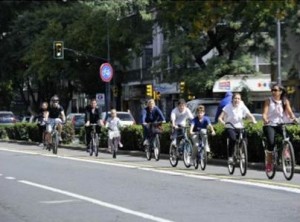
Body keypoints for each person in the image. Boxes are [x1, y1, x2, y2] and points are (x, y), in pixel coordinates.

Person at [262, 83, 297, 172]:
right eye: (272, 90)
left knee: (289, 137)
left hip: (280, 124)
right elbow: (264, 113)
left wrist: (293, 119)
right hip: (270, 124)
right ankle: (269, 163)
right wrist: (265, 119)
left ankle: (286, 151)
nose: (273, 92)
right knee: (271, 142)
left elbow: (290, 113)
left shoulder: (285, 101)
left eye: (275, 90)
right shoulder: (268, 100)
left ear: (280, 92)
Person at [218, 93, 257, 163]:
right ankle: (230, 157)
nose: (237, 100)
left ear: (240, 100)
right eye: (235, 98)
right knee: (232, 139)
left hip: (240, 126)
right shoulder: (228, 107)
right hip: (230, 126)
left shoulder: (242, 105)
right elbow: (220, 118)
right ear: (232, 99)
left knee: (245, 138)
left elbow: (249, 114)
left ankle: (242, 153)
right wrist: (224, 123)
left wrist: (253, 120)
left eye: (238, 99)